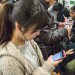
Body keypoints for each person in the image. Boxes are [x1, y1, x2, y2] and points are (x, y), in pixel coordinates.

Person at [0, 0, 63, 75]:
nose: (38, 33)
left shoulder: (28, 41)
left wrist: (47, 67)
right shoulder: (8, 61)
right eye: (35, 30)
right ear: (19, 27)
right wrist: (47, 67)